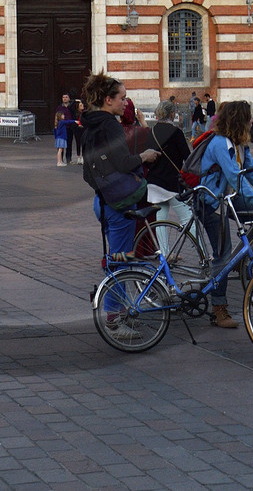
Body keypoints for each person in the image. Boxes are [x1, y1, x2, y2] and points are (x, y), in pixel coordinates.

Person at [80, 73, 162, 341]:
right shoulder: (111, 125)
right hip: (119, 203)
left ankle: (120, 313)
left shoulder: (89, 124)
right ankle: (114, 321)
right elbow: (123, 161)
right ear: (108, 99)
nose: (126, 103)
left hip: (102, 200)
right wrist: (144, 157)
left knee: (116, 259)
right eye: (122, 98)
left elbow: (88, 171)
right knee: (120, 263)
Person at [190, 100, 253, 329]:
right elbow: (234, 177)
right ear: (239, 119)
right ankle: (219, 309)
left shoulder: (239, 143)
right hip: (209, 202)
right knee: (222, 254)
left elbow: (250, 173)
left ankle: (238, 260)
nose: (252, 120)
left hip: (226, 198)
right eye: (249, 117)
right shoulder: (221, 143)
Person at [54, 94, 74, 166]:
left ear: (69, 98)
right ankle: (60, 160)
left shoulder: (71, 107)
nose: (64, 99)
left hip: (69, 128)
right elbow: (56, 116)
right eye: (63, 97)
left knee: (69, 144)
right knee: (61, 146)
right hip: (62, 128)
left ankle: (69, 159)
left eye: (66, 97)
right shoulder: (59, 107)